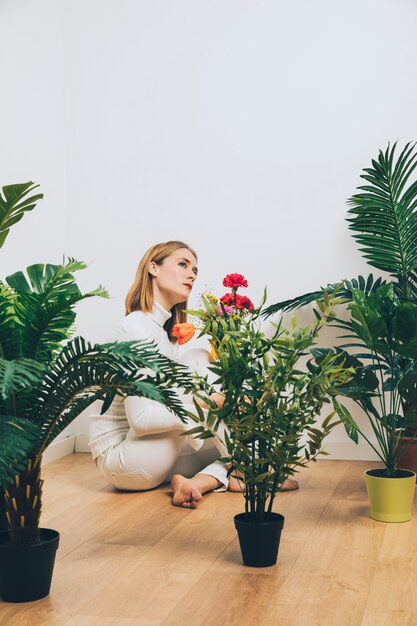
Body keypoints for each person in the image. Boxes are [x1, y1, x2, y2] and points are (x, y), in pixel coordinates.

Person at [89, 241, 297, 509]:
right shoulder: (135, 328)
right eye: (182, 264)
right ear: (153, 268)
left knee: (204, 368)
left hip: (153, 457)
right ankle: (247, 471)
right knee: (199, 363)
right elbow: (141, 421)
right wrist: (209, 403)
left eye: (195, 270)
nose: (192, 275)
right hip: (124, 459)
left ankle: (197, 482)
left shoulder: (164, 334)